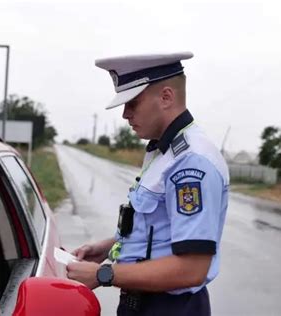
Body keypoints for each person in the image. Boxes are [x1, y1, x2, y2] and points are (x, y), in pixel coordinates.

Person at [66, 52, 229, 315]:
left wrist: (104, 274)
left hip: (169, 307)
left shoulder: (191, 162)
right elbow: (158, 231)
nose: (125, 115)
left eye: (132, 103)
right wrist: (108, 248)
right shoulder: (162, 151)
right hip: (143, 302)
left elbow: (192, 269)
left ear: (166, 97)